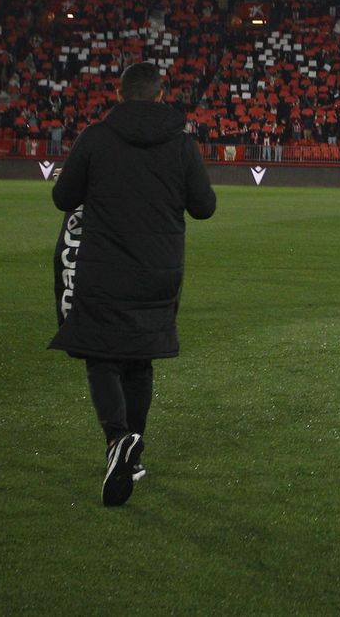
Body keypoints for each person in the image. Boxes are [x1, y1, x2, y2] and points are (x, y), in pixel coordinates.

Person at [48, 62, 217, 507]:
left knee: (101, 356)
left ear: (119, 95)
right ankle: (133, 453)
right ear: (161, 96)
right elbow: (204, 207)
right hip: (160, 269)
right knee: (140, 360)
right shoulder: (180, 144)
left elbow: (63, 197)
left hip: (104, 265)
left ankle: (117, 438)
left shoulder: (96, 137)